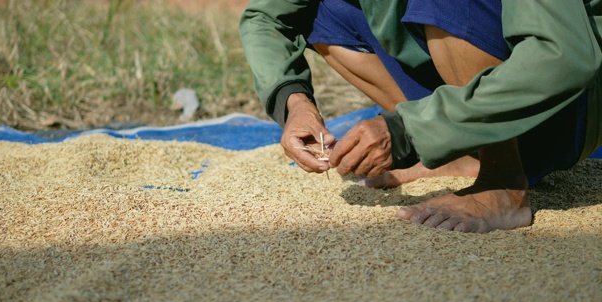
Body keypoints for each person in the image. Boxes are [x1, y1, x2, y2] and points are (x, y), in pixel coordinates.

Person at [239, 0, 602, 233]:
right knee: (324, 11)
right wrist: (295, 103)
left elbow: (565, 57)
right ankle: (458, 151)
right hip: (500, 99)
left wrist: (409, 131)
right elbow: (266, 16)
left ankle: (503, 180)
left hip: (568, 108)